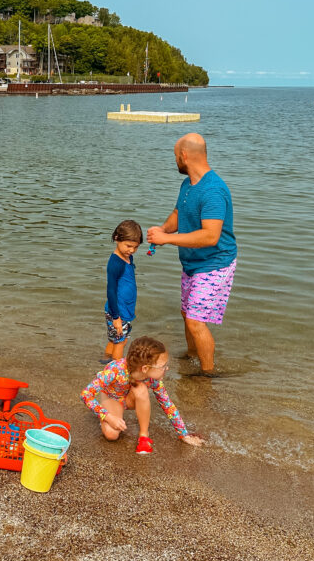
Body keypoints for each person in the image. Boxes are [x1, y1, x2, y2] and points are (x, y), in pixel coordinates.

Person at [147, 133, 237, 375]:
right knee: (187, 313)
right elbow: (179, 212)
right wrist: (164, 229)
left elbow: (210, 236)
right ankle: (191, 357)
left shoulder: (213, 190)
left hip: (215, 263)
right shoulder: (188, 184)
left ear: (184, 155)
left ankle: (207, 375)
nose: (175, 160)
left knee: (196, 320)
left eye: (176, 156)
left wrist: (167, 239)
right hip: (192, 263)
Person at [80, 336, 205, 455]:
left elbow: (168, 405)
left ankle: (144, 436)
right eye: (163, 366)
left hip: (130, 398)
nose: (166, 369)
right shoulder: (114, 371)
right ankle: (106, 418)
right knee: (111, 435)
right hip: (112, 397)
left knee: (141, 389)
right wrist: (107, 417)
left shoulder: (153, 380)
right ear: (145, 368)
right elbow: (86, 394)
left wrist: (184, 434)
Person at [103, 220, 142, 362]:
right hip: (118, 311)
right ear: (116, 238)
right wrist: (115, 317)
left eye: (136, 247)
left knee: (116, 340)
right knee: (120, 341)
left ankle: (105, 361)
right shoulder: (115, 263)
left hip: (125, 309)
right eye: (128, 246)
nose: (132, 250)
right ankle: (117, 369)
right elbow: (111, 290)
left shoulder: (128, 257)